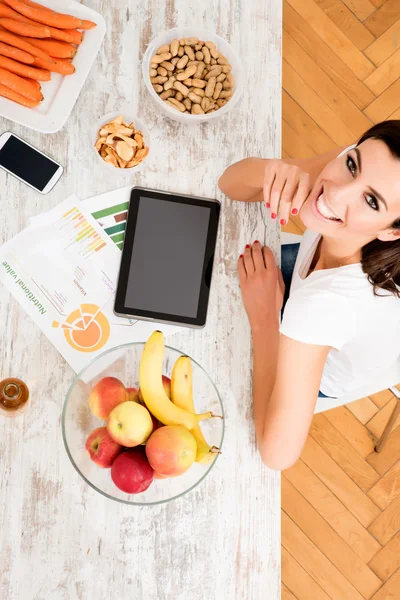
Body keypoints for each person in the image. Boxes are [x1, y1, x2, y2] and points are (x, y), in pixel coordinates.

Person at [218, 120, 400, 471]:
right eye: (351, 165)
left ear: (392, 232)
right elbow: (230, 183)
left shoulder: (323, 307)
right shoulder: (344, 175)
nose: (335, 193)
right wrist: (273, 171)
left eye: (371, 201)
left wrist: (266, 319)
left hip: (327, 361)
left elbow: (276, 455)